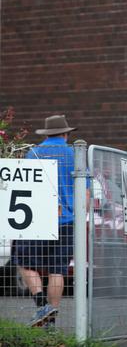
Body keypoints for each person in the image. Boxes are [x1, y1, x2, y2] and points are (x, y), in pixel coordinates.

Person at [11, 115, 77, 328]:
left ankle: (41, 305)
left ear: (47, 134)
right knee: (57, 269)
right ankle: (50, 323)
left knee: (24, 262)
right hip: (66, 219)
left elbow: (26, 186)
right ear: (66, 134)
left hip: (38, 218)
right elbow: (84, 191)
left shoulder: (34, 153)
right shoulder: (75, 155)